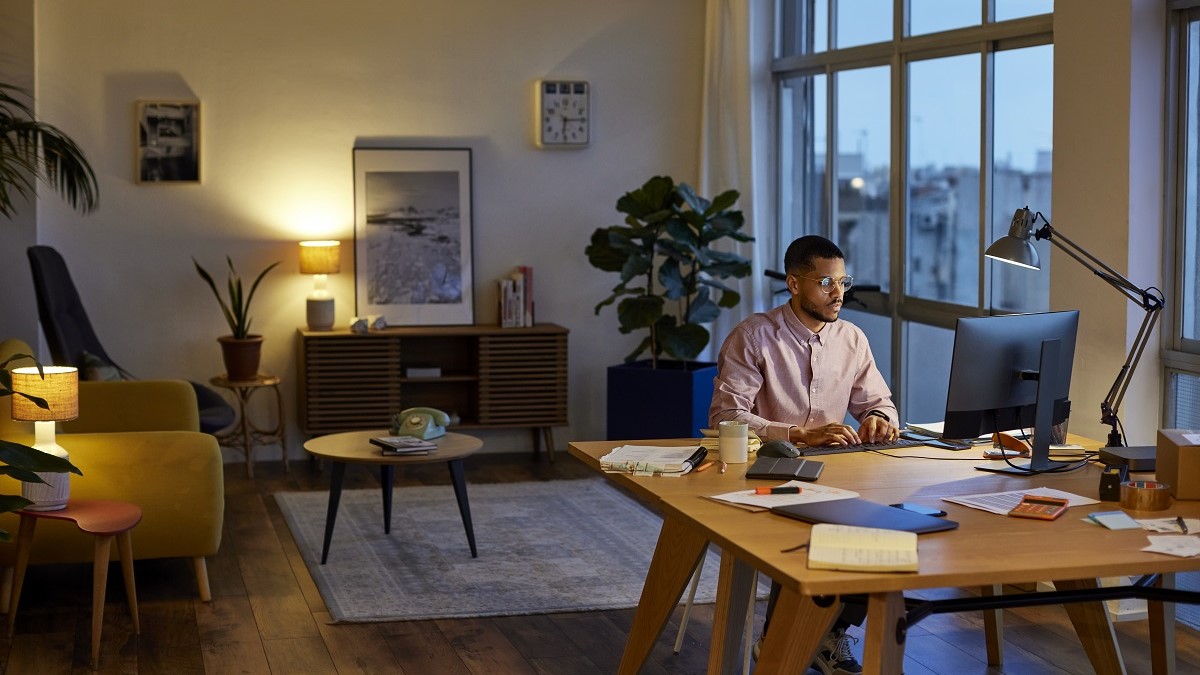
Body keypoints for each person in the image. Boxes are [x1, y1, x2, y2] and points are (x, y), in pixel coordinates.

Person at [709, 234, 900, 675]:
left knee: (887, 525)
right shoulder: (753, 337)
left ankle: (828, 632)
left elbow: (880, 401)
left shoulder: (851, 338)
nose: (839, 294)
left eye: (843, 282)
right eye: (826, 284)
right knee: (821, 527)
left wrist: (877, 417)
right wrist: (800, 434)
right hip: (764, 474)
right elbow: (725, 418)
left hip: (838, 475)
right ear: (794, 284)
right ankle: (782, 638)